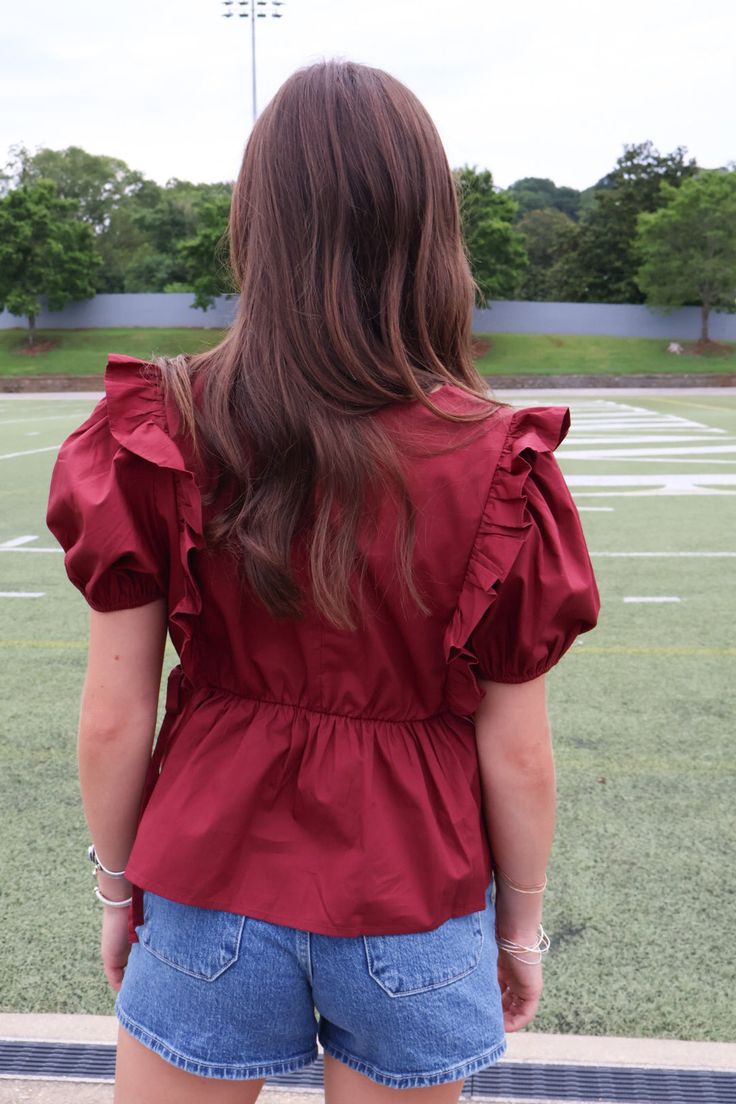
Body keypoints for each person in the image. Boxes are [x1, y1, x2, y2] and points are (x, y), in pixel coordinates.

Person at [46, 59, 600, 1104]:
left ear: (260, 223)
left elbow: (114, 717)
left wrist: (119, 892)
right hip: (416, 892)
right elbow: (515, 746)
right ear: (429, 230)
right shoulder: (497, 460)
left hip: (208, 874)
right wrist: (518, 925)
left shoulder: (159, 422)